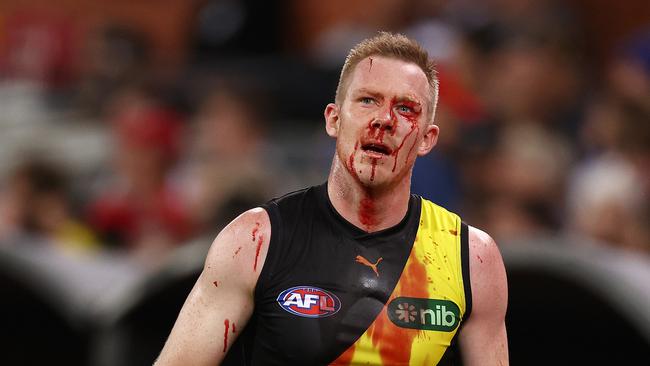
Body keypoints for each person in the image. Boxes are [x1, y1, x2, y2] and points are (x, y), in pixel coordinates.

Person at [155, 32, 508, 365]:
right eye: (368, 100)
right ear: (333, 120)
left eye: (405, 108)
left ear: (428, 139)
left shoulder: (471, 257)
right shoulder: (255, 241)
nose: (383, 120)